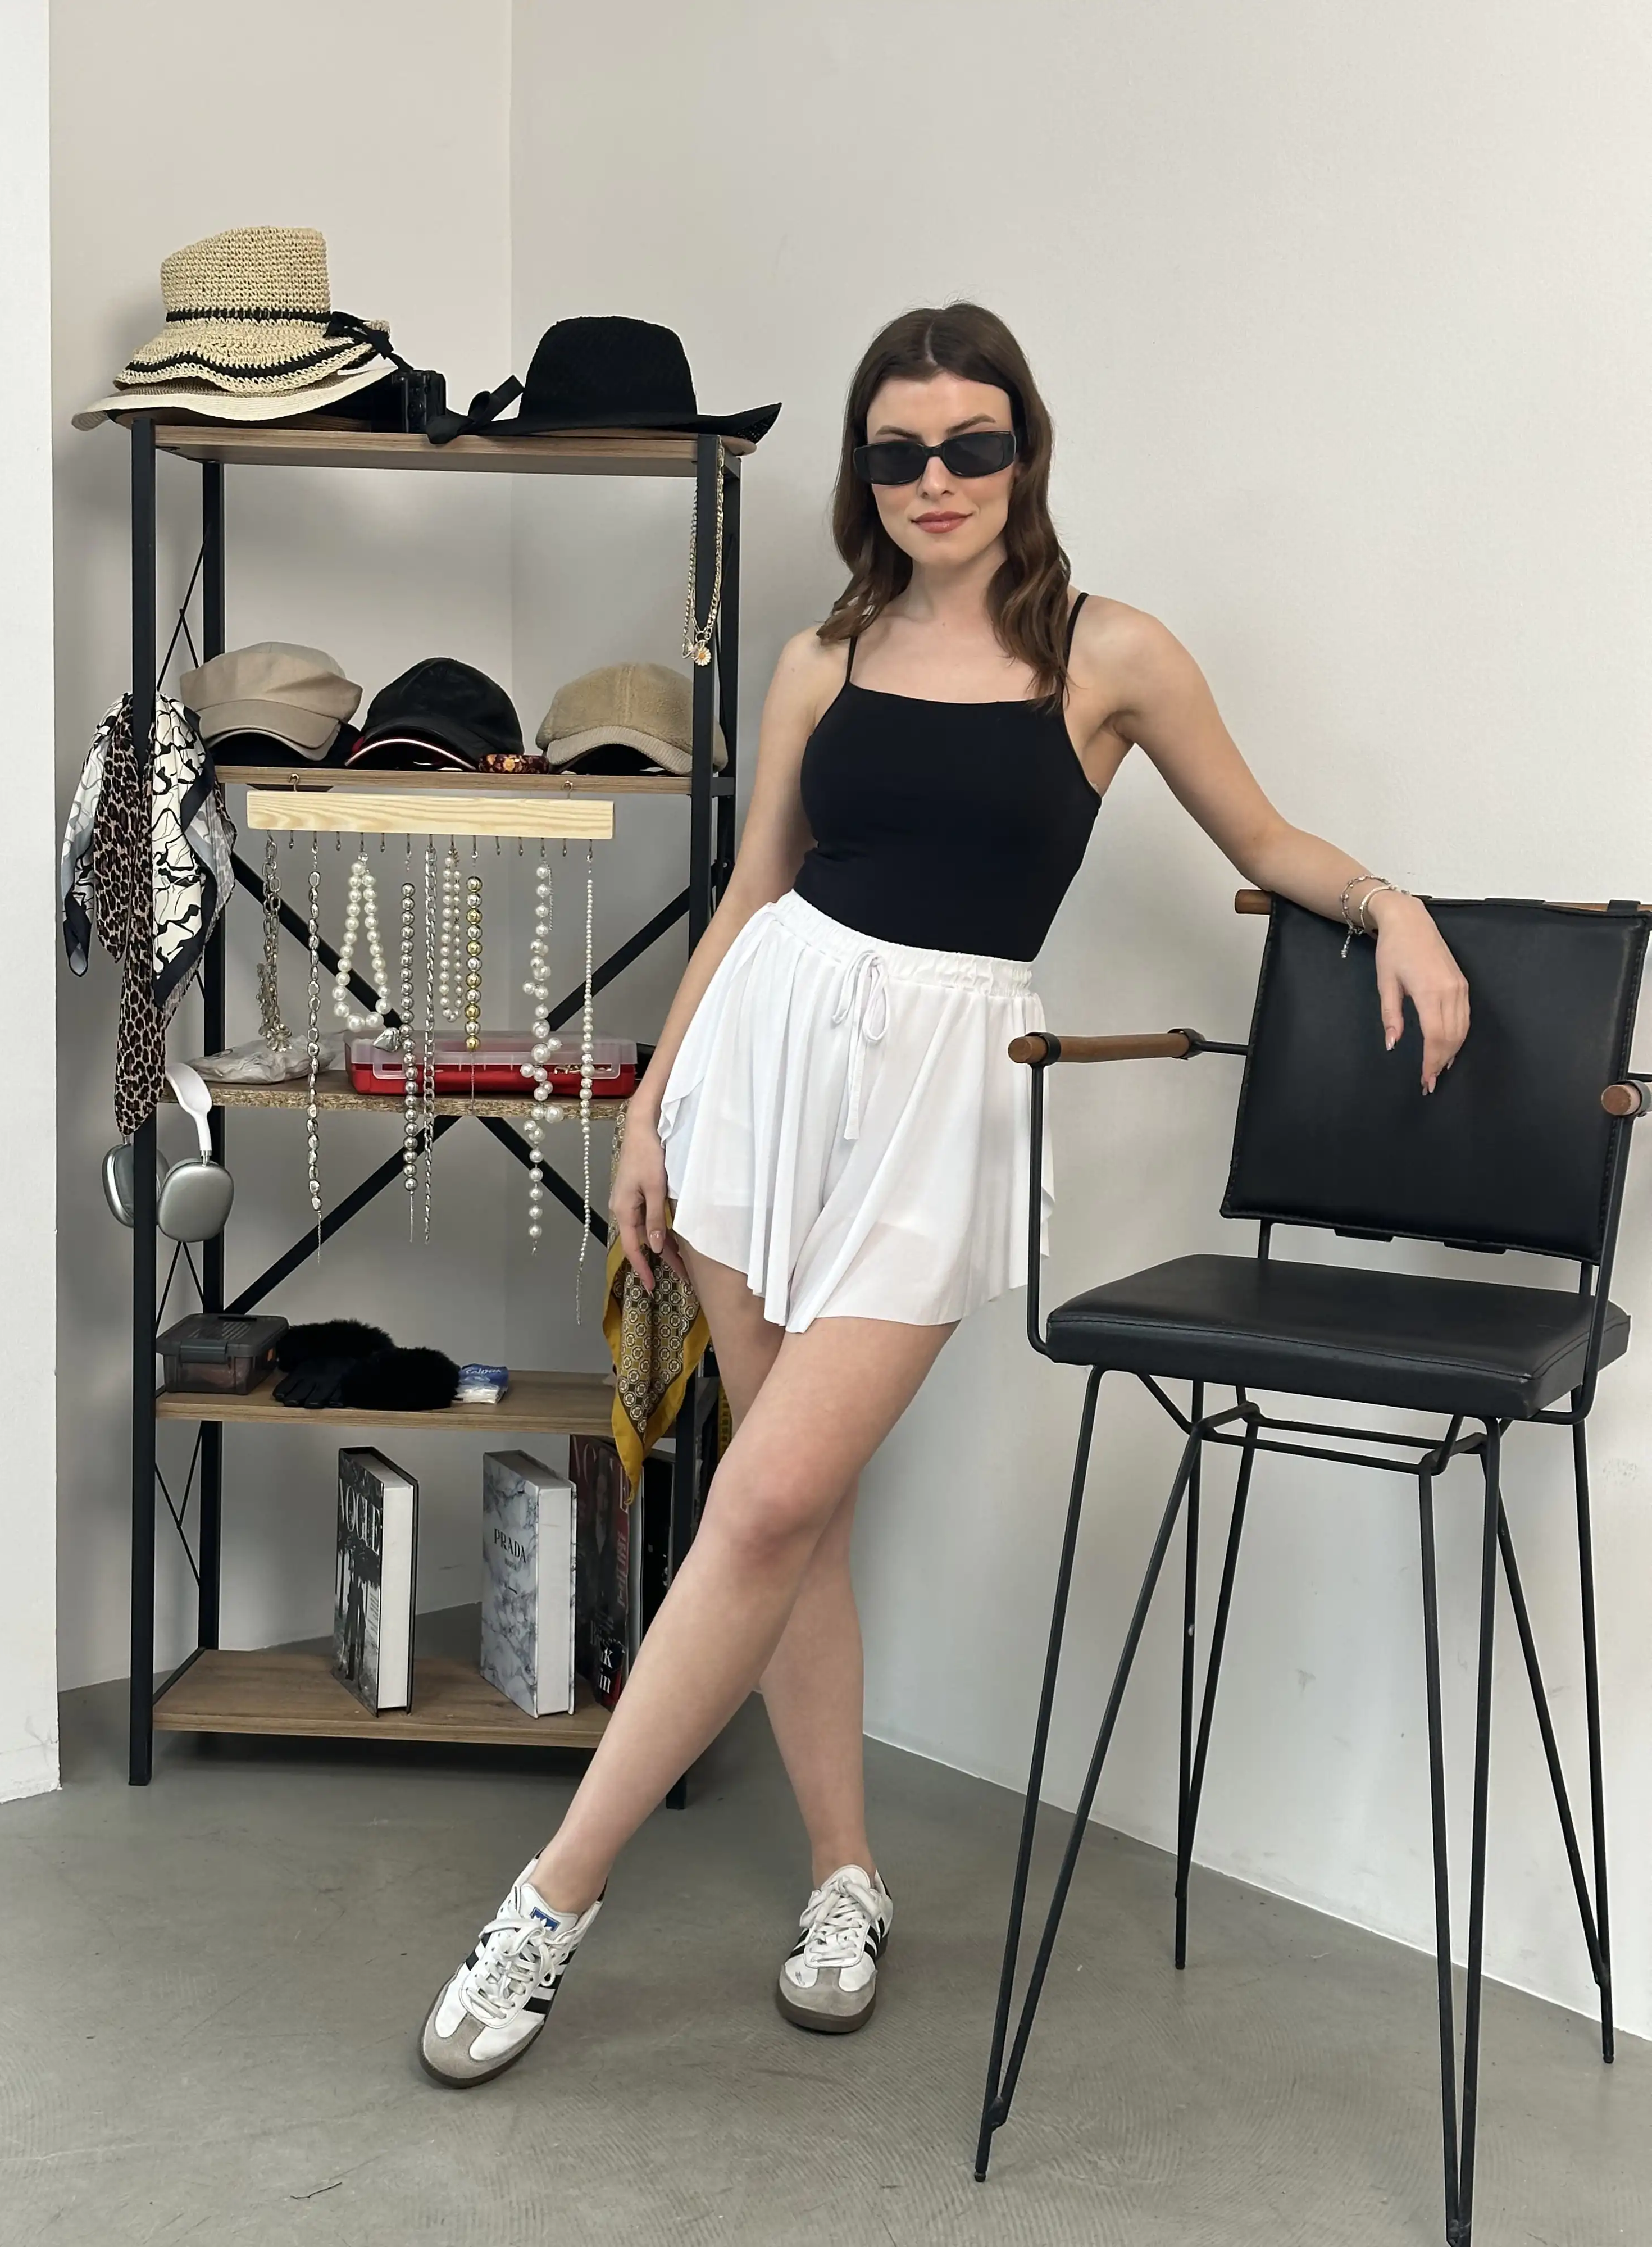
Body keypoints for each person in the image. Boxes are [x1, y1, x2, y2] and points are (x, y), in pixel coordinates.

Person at [418, 302, 1470, 2087]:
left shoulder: (1110, 654)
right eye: (900, 452)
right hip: (766, 1067)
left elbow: (1265, 840)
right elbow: (755, 890)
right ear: (867, 472)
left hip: (943, 1102)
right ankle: (847, 1879)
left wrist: (1397, 907)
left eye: (972, 445)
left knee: (762, 1505)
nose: (937, 480)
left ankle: (550, 1901)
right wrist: (654, 1107)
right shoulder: (824, 654)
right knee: (794, 1517)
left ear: (1024, 453)